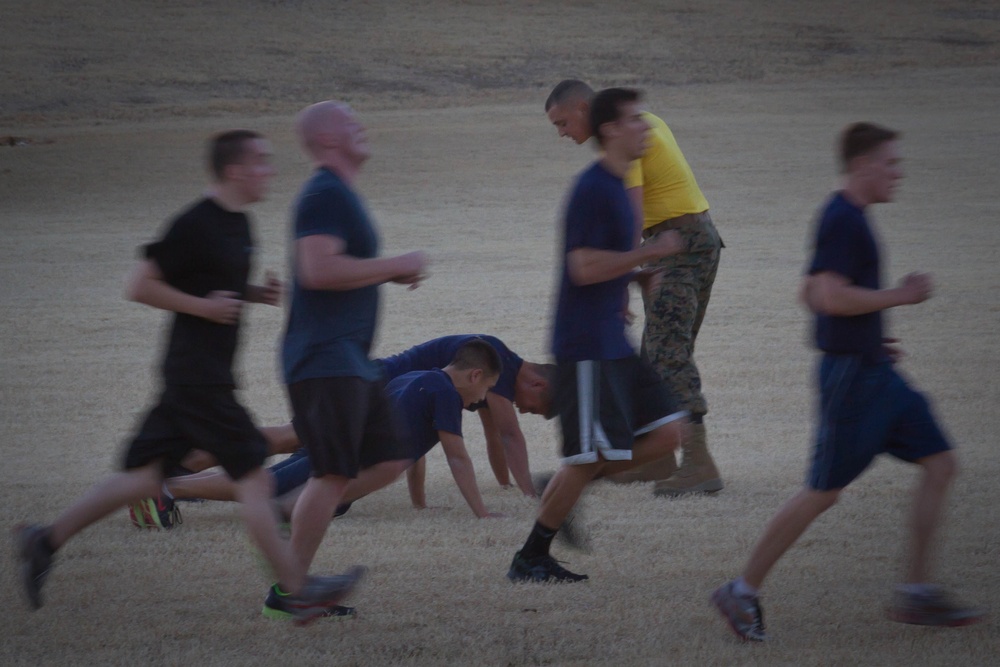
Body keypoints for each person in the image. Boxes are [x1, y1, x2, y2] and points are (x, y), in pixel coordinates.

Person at [13, 130, 362, 624]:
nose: (270, 170)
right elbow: (139, 285)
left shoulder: (238, 223)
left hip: (195, 379)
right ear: (235, 170)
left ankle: (43, 540)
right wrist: (203, 306)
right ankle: (298, 590)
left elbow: (211, 279)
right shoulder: (195, 223)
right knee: (254, 481)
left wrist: (254, 294)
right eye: (261, 162)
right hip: (199, 380)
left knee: (145, 477)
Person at [711, 123, 984, 641]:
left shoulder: (849, 218)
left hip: (873, 370)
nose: (898, 173)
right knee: (822, 492)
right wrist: (899, 297)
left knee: (941, 463)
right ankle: (741, 590)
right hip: (851, 382)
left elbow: (810, 293)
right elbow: (830, 295)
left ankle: (916, 593)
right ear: (862, 165)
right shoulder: (843, 220)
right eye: (890, 163)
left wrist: (867, 335)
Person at [507, 88, 688, 584]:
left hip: (612, 339)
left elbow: (601, 264)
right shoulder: (592, 188)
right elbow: (582, 267)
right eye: (635, 120)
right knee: (586, 457)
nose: (645, 128)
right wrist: (648, 254)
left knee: (669, 431)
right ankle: (531, 557)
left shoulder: (615, 184)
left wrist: (636, 275)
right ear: (610, 129)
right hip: (585, 343)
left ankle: (560, 490)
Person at [279, 101, 426, 611]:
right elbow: (317, 270)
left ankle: (288, 546)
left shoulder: (340, 195)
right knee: (333, 472)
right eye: (348, 122)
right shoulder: (322, 193)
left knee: (389, 459)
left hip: (350, 359)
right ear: (325, 141)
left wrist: (386, 270)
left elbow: (334, 269)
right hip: (324, 358)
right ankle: (291, 586)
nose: (360, 125)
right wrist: (395, 263)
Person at [545, 80, 723, 496]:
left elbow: (633, 213)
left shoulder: (627, 142)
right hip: (694, 238)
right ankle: (658, 460)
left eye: (563, 122)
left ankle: (698, 464)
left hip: (677, 244)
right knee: (658, 351)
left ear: (587, 109)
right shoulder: (645, 124)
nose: (563, 134)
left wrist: (622, 284)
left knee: (667, 353)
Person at [150, 340, 508, 523]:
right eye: (487, 390)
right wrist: (483, 514)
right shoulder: (445, 392)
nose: (481, 400)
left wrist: (419, 504)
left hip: (337, 441)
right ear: (475, 375)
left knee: (276, 485)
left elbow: (413, 450)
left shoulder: (419, 379)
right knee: (270, 486)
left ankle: (167, 485)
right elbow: (457, 457)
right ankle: (165, 487)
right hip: (340, 455)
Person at [380, 334, 554, 496]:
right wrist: (530, 493)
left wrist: (505, 484)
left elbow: (494, 436)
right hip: (381, 380)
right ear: (538, 385)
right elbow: (510, 435)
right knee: (379, 465)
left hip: (385, 382)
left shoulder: (496, 369)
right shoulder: (496, 361)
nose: (523, 411)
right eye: (532, 409)